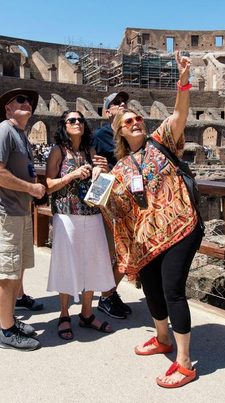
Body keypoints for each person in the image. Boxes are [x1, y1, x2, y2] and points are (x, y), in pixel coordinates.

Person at [102, 51, 204, 389]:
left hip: (180, 226)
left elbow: (179, 112)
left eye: (137, 118)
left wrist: (183, 79)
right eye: (127, 121)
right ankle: (162, 338)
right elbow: (116, 208)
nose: (135, 122)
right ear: (119, 131)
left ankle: (185, 362)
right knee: (152, 291)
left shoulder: (162, 141)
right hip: (147, 238)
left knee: (173, 290)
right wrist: (100, 188)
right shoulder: (119, 168)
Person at [0, 88, 46, 351]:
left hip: (18, 211)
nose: (27, 103)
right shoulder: (3, 131)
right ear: (7, 109)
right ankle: (7, 332)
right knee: (5, 273)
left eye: (29, 101)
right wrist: (30, 188)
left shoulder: (21, 135)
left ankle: (8, 321)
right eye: (21, 100)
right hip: (3, 211)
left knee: (15, 271)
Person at [45, 110, 115, 340]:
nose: (77, 123)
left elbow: (102, 182)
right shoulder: (58, 151)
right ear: (64, 126)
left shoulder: (90, 151)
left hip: (92, 213)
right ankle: (64, 314)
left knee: (91, 263)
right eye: (72, 120)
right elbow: (49, 185)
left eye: (80, 120)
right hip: (67, 214)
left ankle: (87, 313)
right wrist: (72, 175)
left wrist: (102, 170)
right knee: (67, 263)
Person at [91, 90, 132, 320]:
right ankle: (106, 296)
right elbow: (92, 163)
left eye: (124, 101)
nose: (123, 104)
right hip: (109, 202)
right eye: (116, 103)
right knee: (114, 250)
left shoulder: (132, 131)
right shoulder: (101, 135)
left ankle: (109, 293)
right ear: (108, 111)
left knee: (129, 249)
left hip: (130, 200)